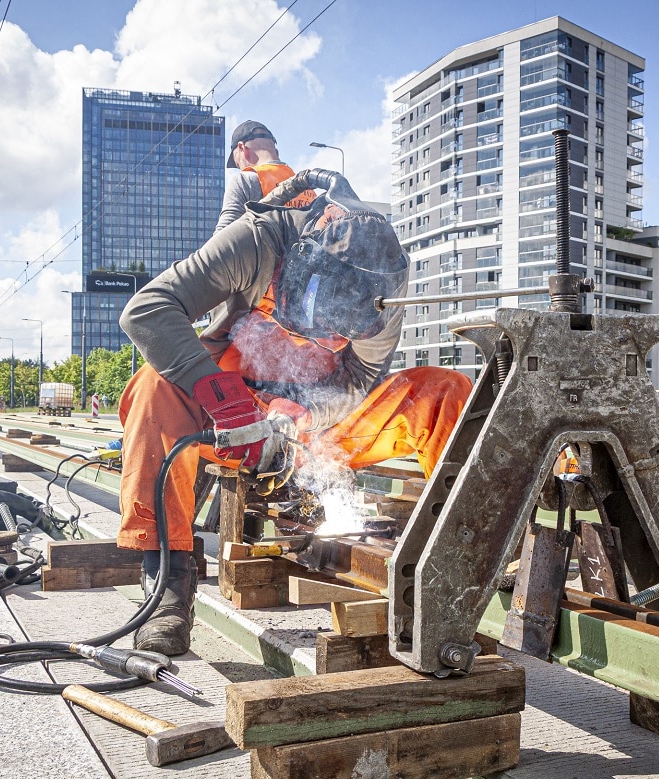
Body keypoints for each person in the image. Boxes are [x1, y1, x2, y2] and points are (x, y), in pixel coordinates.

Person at [117, 169, 471, 657]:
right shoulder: (257, 241)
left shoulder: (386, 281)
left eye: (335, 331)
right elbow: (146, 310)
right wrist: (236, 406)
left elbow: (359, 382)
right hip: (227, 418)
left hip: (313, 427)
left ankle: (470, 544)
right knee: (153, 387)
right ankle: (168, 591)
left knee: (443, 391)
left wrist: (300, 417)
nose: (320, 338)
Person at [215, 120, 316, 233]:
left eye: (237, 163)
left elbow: (222, 237)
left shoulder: (244, 180)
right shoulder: (308, 188)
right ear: (276, 152)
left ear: (242, 148)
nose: (240, 168)